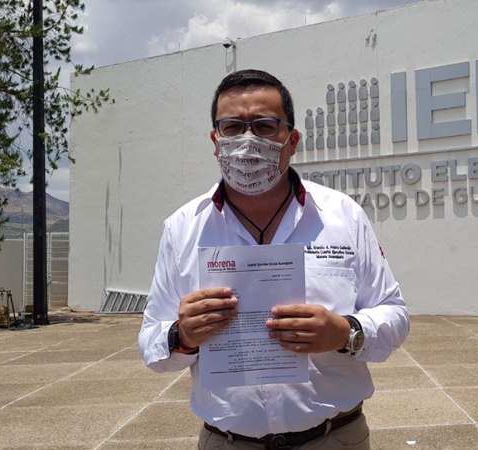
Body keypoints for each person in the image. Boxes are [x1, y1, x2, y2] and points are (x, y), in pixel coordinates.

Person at [138, 69, 410, 450]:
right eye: (233, 127)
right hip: (228, 443)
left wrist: (345, 332)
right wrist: (181, 337)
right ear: (215, 141)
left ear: (292, 140)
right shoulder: (182, 228)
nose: (248, 140)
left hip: (333, 438)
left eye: (265, 126)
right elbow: (150, 342)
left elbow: (394, 314)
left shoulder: (342, 217)